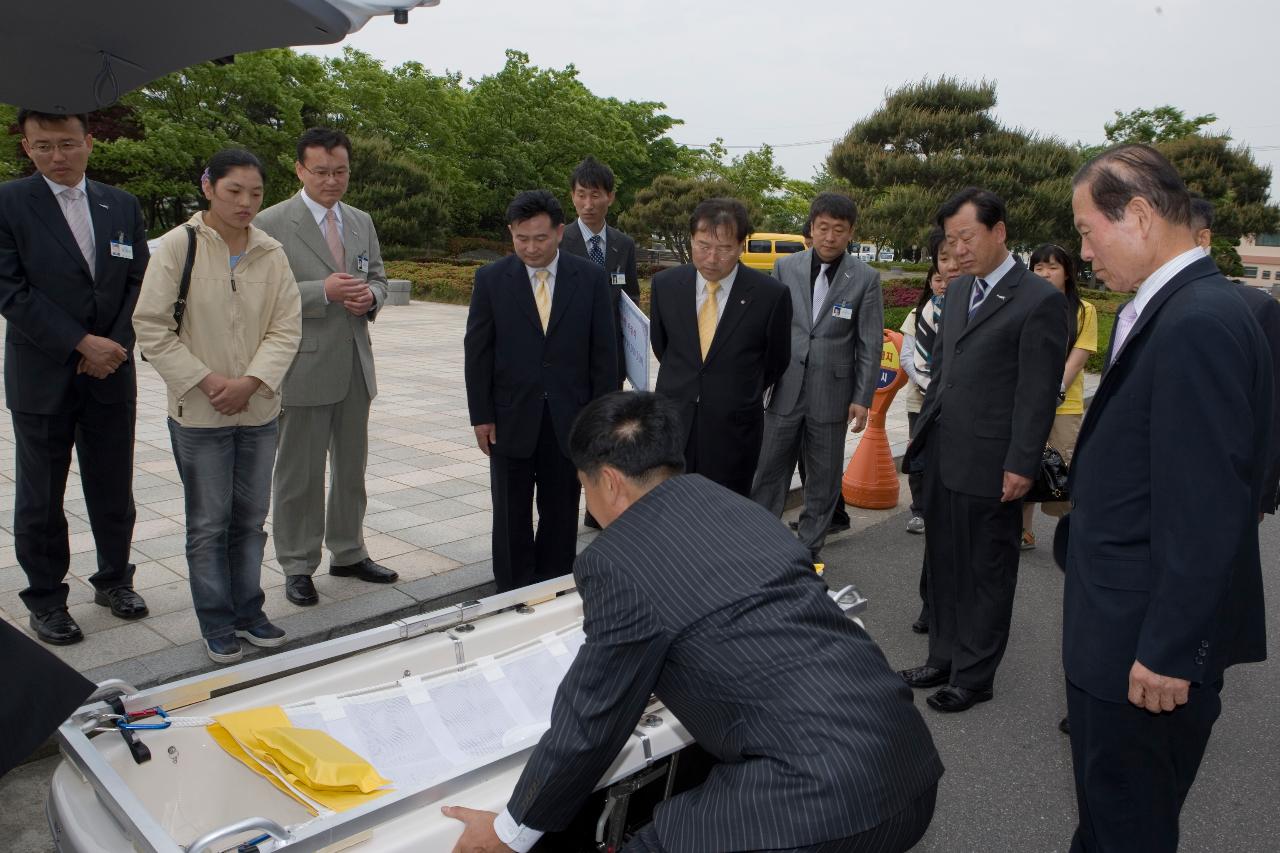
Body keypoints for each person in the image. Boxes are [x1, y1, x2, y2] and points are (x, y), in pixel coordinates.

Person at [444, 391, 944, 853]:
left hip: (814, 802)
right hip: (908, 769)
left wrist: (510, 831)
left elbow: (593, 718)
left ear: (611, 482)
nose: (587, 500)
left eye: (583, 485)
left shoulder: (616, 561)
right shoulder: (732, 506)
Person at [1058, 145, 1272, 851]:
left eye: (1089, 230)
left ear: (1141, 216)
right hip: (1124, 630)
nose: (1084, 252)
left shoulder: (1196, 322)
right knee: (1111, 819)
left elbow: (1209, 503)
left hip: (1141, 652)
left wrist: (1170, 649)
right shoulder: (1192, 306)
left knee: (1128, 828)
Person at [899, 187, 1067, 713]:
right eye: (951, 240)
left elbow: (1037, 392)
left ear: (999, 232)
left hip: (996, 463)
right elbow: (945, 374)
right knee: (944, 563)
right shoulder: (956, 292)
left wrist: (1021, 463)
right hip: (946, 453)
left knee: (987, 572)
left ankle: (975, 676)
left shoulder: (1037, 299)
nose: (959, 249)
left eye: (967, 237)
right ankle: (943, 656)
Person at [133, 149, 301, 664]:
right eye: (234, 191)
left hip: (258, 410)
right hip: (199, 412)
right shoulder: (176, 248)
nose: (246, 202)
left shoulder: (271, 253)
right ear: (208, 187)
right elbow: (152, 326)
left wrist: (251, 382)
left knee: (250, 518)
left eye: (255, 192)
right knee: (208, 523)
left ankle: (250, 610)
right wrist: (207, 381)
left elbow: (286, 327)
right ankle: (216, 620)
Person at [0, 109, 150, 646]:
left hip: (111, 370)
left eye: (66, 144)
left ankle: (114, 580)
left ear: (89, 142)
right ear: (27, 148)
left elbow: (139, 280)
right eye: (43, 147)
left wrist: (114, 345)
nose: (56, 157)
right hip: (42, 373)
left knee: (113, 486)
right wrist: (79, 342)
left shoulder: (121, 205)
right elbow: (10, 290)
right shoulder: (10, 202)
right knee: (41, 497)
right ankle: (45, 599)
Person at [254, 128, 395, 608]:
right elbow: (259, 295)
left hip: (355, 361)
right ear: (299, 169)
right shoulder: (272, 222)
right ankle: (296, 562)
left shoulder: (361, 221)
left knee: (352, 469)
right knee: (300, 474)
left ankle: (349, 551)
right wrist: (323, 293)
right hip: (302, 366)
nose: (332, 181)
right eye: (321, 172)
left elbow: (377, 276)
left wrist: (370, 296)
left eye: (341, 172)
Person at [464, 190, 617, 591]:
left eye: (540, 238)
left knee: (561, 510)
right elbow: (477, 353)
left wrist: (600, 422)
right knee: (510, 511)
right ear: (511, 233)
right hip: (510, 417)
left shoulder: (590, 279)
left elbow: (605, 355)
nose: (530, 248)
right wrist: (481, 415)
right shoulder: (491, 280)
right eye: (521, 238)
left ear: (559, 231)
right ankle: (511, 592)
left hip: (571, 419)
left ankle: (553, 586)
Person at [752, 192, 882, 560]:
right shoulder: (785, 268)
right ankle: (760, 547)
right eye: (822, 228)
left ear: (850, 233)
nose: (829, 237)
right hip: (784, 389)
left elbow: (869, 342)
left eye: (838, 230)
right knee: (768, 471)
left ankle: (808, 552)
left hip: (833, 394)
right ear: (811, 228)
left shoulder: (865, 278)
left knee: (823, 480)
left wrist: (862, 397)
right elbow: (770, 331)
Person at [650, 198, 791, 496]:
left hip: (734, 428)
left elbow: (776, 360)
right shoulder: (665, 285)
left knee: (724, 518)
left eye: (724, 248)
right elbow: (662, 346)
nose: (712, 258)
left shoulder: (770, 295)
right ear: (690, 240)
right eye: (702, 245)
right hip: (675, 422)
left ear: (742, 245)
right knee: (671, 510)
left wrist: (735, 386)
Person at [559, 156, 640, 531]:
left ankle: (598, 511)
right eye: (580, 196)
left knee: (605, 439)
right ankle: (563, 506)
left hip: (610, 365)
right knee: (569, 438)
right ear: (572, 197)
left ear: (610, 197)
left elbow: (631, 305)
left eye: (595, 196)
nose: (588, 204)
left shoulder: (624, 244)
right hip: (566, 364)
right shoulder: (560, 241)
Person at [1190, 196, 1280, 517]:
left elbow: (1269, 409)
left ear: (1204, 239)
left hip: (1222, 490)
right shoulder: (1134, 309)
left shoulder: (1257, 308)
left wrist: (1260, 494)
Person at [900, 229, 960, 635]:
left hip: (973, 431)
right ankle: (932, 607)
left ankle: (958, 613)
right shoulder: (929, 311)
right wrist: (937, 391)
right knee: (937, 519)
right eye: (942, 259)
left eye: (958, 256)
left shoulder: (989, 307)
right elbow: (916, 359)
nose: (950, 267)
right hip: (931, 412)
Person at [1020, 244, 1098, 548]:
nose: (1044, 273)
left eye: (1052, 267)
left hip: (1064, 405)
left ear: (1067, 272)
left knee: (1062, 470)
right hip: (1027, 401)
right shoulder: (1025, 304)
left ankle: (1073, 535)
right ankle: (1024, 531)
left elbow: (1078, 358)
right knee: (1024, 464)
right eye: (1038, 267)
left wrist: (1055, 390)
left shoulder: (1083, 310)